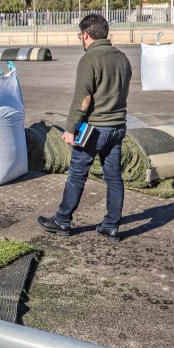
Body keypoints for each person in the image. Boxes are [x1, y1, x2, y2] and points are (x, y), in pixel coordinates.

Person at [38, 13, 132, 241]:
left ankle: (62, 221)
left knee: (77, 174)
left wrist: (70, 129)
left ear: (86, 35)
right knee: (114, 177)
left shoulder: (90, 59)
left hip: (95, 129)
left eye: (81, 35)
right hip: (118, 126)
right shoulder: (122, 58)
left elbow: (84, 98)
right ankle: (111, 225)